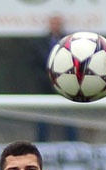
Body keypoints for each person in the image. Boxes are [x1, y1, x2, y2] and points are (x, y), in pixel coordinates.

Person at [32, 14, 78, 142]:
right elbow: (36, 65)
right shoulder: (40, 43)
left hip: (66, 87)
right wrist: (48, 79)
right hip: (45, 88)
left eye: (58, 23)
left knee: (69, 117)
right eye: (53, 23)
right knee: (43, 118)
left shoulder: (71, 42)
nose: (55, 26)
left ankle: (73, 143)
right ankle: (41, 144)